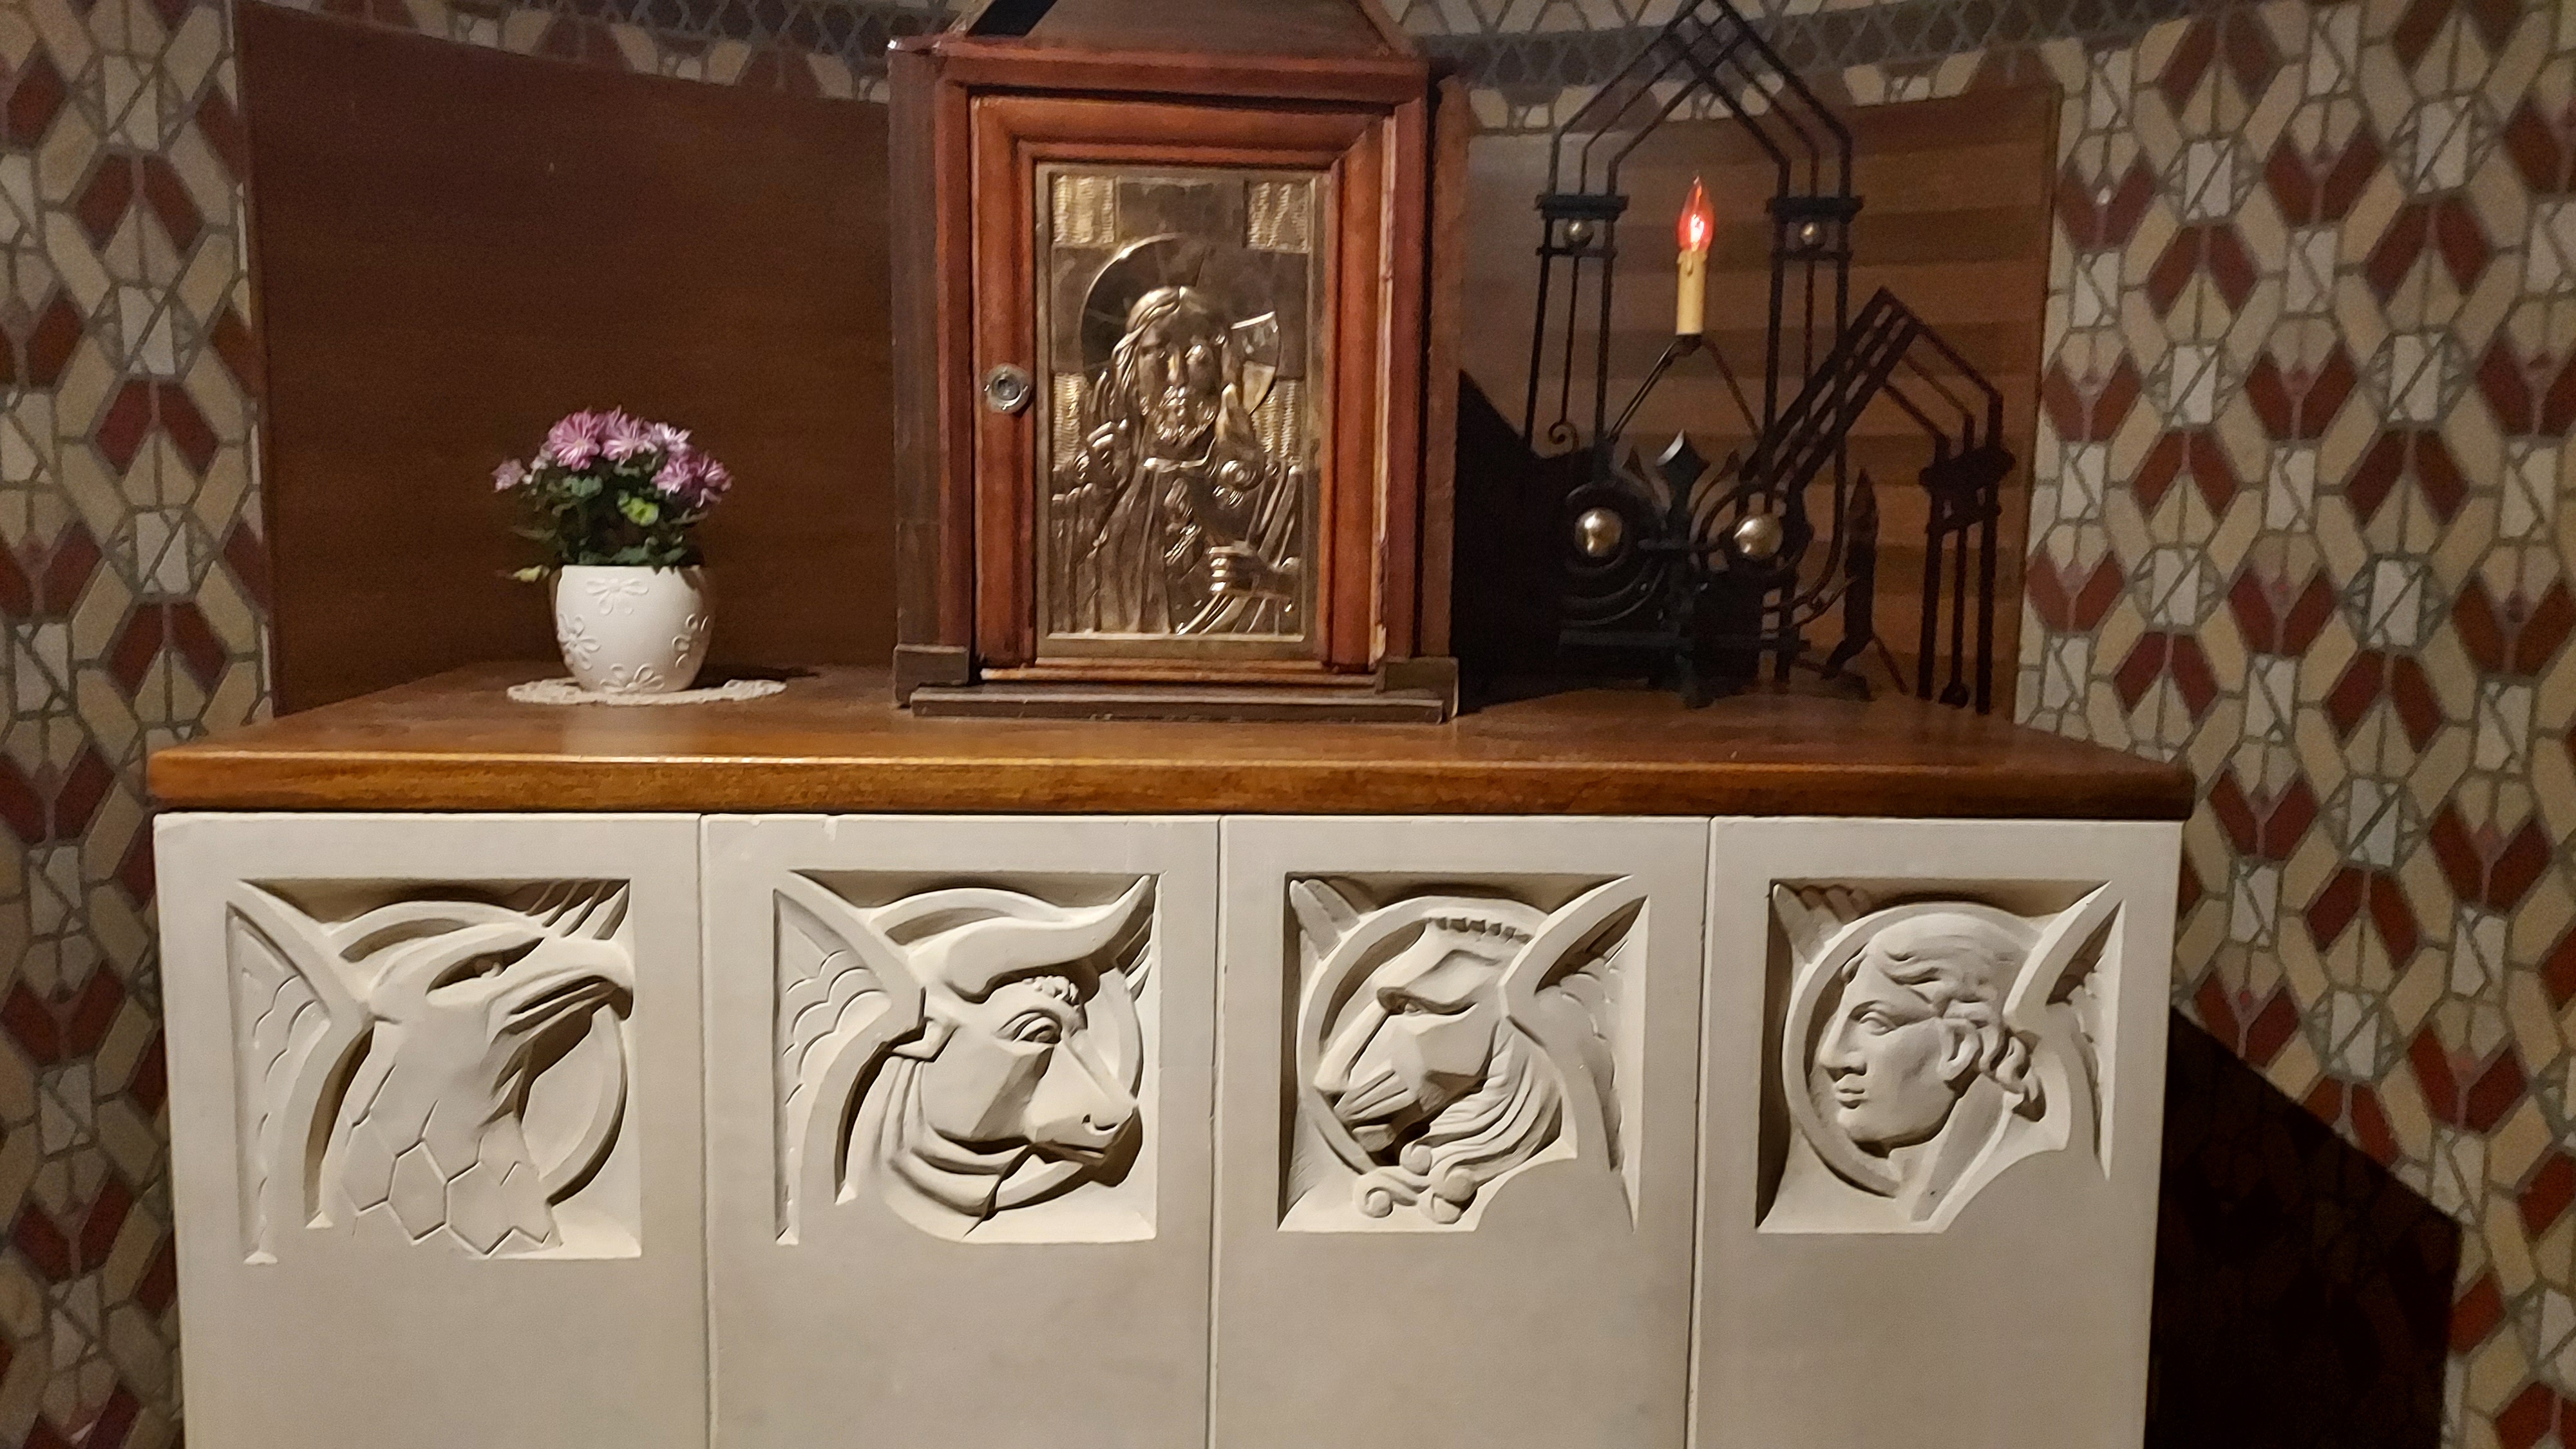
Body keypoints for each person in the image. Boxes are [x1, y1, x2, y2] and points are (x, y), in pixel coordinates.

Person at [1051, 285, 1302, 636]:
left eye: (1197, 356)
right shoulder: (1093, 482)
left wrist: (1272, 581)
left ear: (1224, 369)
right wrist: (1098, 503)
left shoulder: (1278, 491)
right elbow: (1036, 571)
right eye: (1158, 354)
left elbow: (1333, 586)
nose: (1177, 376)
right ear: (1129, 369)